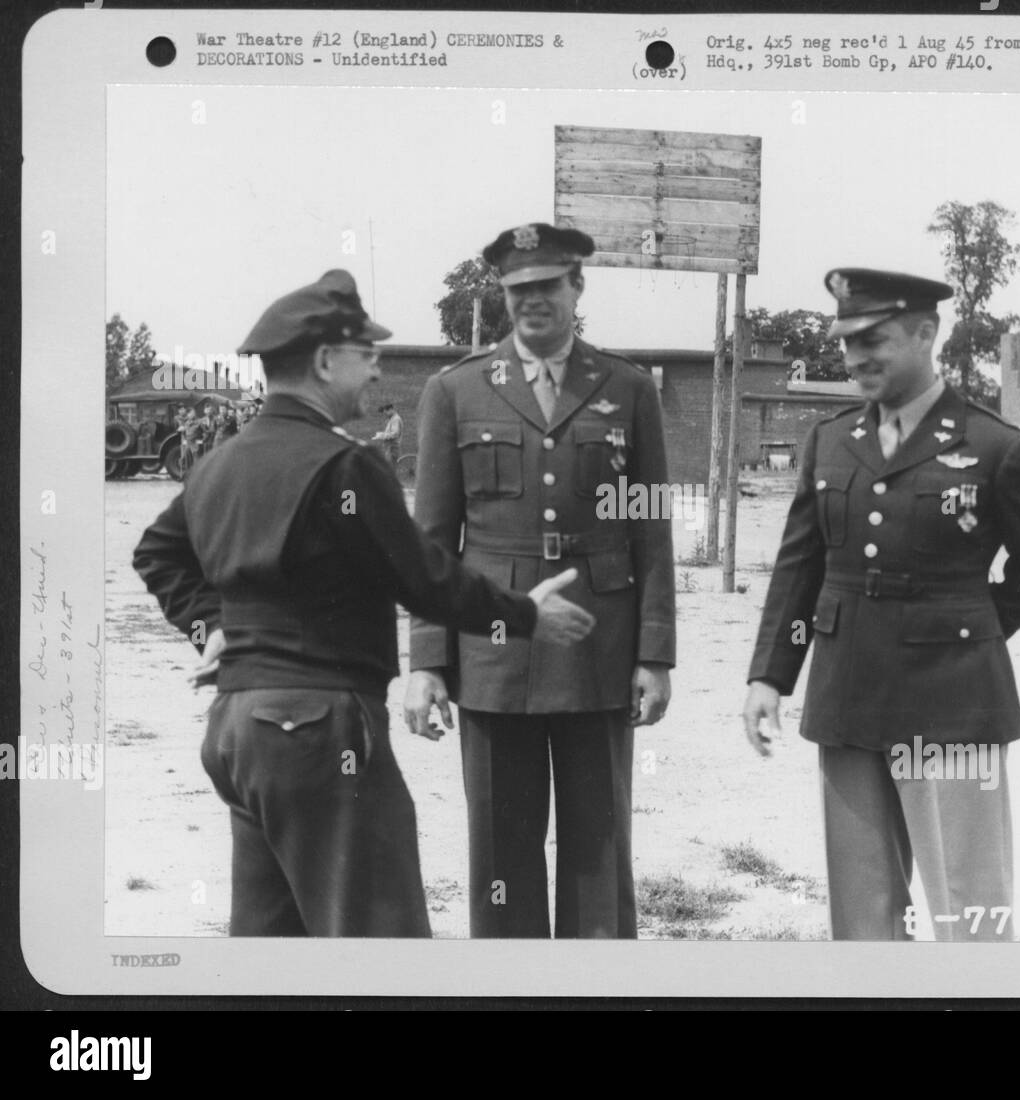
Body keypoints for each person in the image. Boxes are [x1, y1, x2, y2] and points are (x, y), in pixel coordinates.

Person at [133, 269, 594, 937]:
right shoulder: (344, 467)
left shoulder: (220, 463)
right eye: (366, 355)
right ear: (324, 361)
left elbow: (157, 552)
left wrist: (210, 627)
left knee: (273, 956)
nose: (377, 372)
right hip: (322, 731)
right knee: (381, 953)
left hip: (237, 733)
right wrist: (527, 614)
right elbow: (428, 580)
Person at [742, 267, 1020, 942]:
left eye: (875, 338)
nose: (856, 356)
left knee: (968, 911)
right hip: (848, 695)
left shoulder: (995, 446)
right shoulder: (830, 441)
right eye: (847, 341)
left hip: (953, 703)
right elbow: (801, 564)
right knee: (863, 916)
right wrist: (769, 675)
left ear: (927, 333)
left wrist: (970, 632)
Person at [403, 223, 676, 938]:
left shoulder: (628, 389)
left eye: (547, 287)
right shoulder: (455, 392)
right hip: (493, 647)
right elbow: (432, 545)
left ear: (576, 287)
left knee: (600, 845)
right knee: (501, 850)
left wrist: (653, 654)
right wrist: (427, 663)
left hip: (600, 643)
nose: (532, 302)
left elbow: (651, 531)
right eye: (518, 290)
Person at [372, 402, 402, 466]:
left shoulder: (395, 419)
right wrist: (382, 434)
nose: (385, 415)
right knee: (389, 466)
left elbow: (395, 433)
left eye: (386, 412)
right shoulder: (392, 419)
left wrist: (383, 436)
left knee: (390, 466)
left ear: (391, 409)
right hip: (390, 446)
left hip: (392, 447)